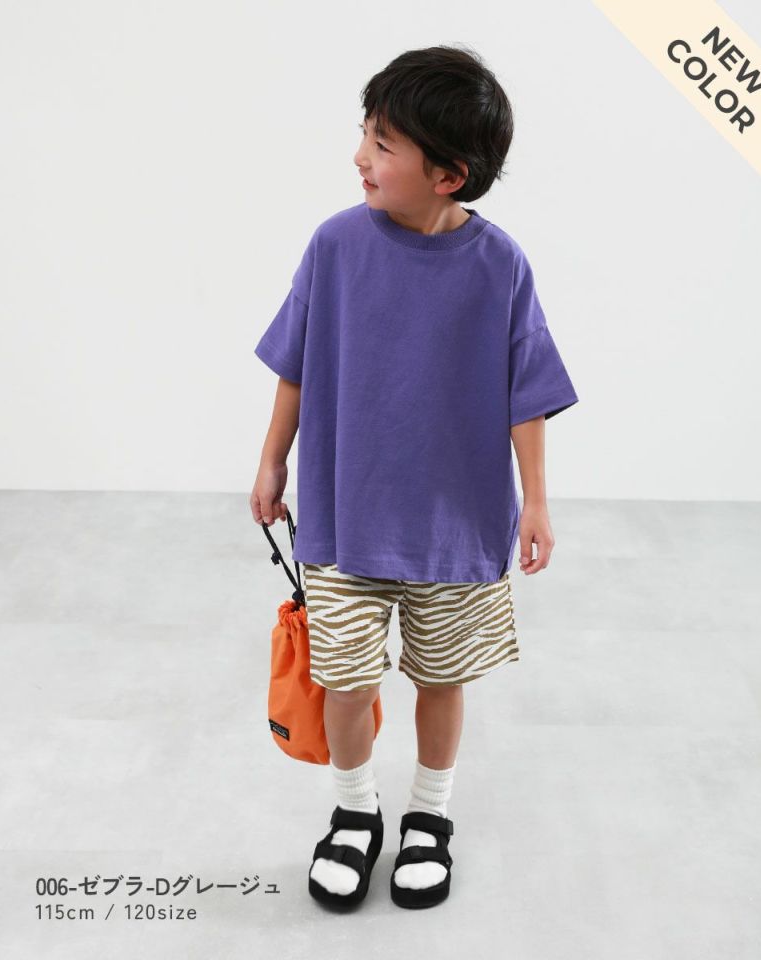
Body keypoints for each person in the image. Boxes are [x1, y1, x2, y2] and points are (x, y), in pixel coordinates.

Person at [249, 44, 579, 910]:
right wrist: (272, 459)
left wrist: (536, 502)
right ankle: (355, 812)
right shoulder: (334, 245)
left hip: (455, 523)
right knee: (345, 678)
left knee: (442, 677)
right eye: (365, 133)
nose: (360, 155)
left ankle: (429, 814)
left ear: (448, 175)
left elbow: (526, 394)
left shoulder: (499, 265)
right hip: (344, 515)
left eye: (383, 143)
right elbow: (295, 363)